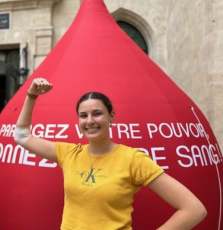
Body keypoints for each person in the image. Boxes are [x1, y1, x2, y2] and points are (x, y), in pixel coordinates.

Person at [14, 78, 207, 230]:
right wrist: (31, 96)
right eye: (83, 115)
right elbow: (22, 136)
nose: (90, 121)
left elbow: (194, 210)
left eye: (97, 113)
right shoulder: (69, 153)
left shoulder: (132, 159)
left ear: (111, 116)